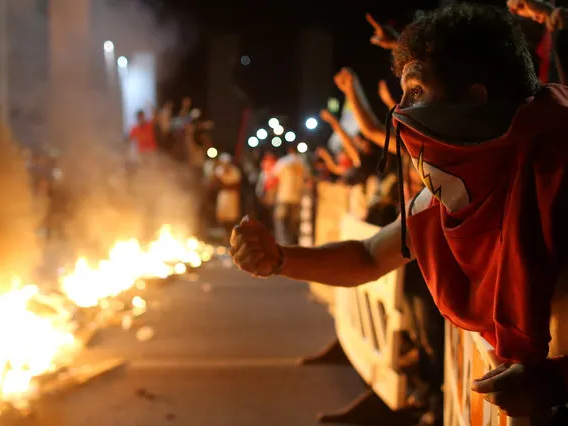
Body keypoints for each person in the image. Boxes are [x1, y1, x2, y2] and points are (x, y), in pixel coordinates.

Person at [230, 3, 568, 420]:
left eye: (416, 92)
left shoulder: (557, 171)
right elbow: (370, 255)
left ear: (475, 101)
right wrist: (279, 259)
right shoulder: (445, 199)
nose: (399, 114)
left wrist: (555, 382)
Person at [271, 146, 308, 245]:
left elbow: (274, 178)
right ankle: (293, 245)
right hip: (297, 197)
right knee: (294, 224)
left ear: (290, 150)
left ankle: (283, 245)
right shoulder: (302, 162)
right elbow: (307, 179)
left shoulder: (283, 162)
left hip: (283, 196)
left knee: (281, 222)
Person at [214, 153, 242, 241]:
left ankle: (232, 236)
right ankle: (224, 235)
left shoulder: (235, 171)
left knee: (232, 217)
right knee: (222, 216)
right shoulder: (219, 170)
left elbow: (237, 185)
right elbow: (216, 183)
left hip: (232, 197)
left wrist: (226, 185)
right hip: (223, 196)